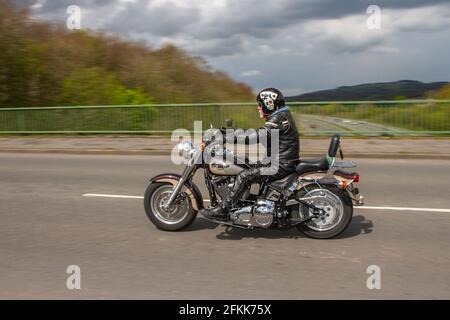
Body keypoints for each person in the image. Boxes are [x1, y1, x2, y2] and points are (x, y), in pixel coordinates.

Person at [203, 87, 300, 219]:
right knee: (245, 164)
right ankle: (245, 203)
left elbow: (255, 136)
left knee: (244, 176)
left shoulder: (279, 119)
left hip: (279, 165)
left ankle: (225, 209)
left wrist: (225, 137)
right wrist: (225, 132)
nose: (258, 108)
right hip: (276, 161)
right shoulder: (281, 117)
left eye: (260, 105)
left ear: (268, 103)